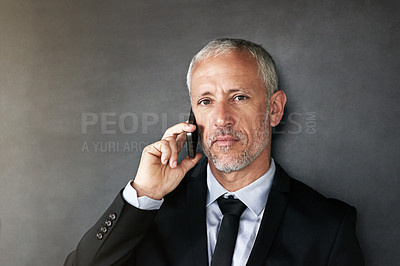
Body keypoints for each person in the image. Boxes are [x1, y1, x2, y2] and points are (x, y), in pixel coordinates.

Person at [65, 38, 364, 266]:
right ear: (192, 114)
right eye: (206, 101)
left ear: (274, 109)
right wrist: (143, 194)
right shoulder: (150, 212)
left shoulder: (329, 226)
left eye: (240, 97)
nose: (221, 118)